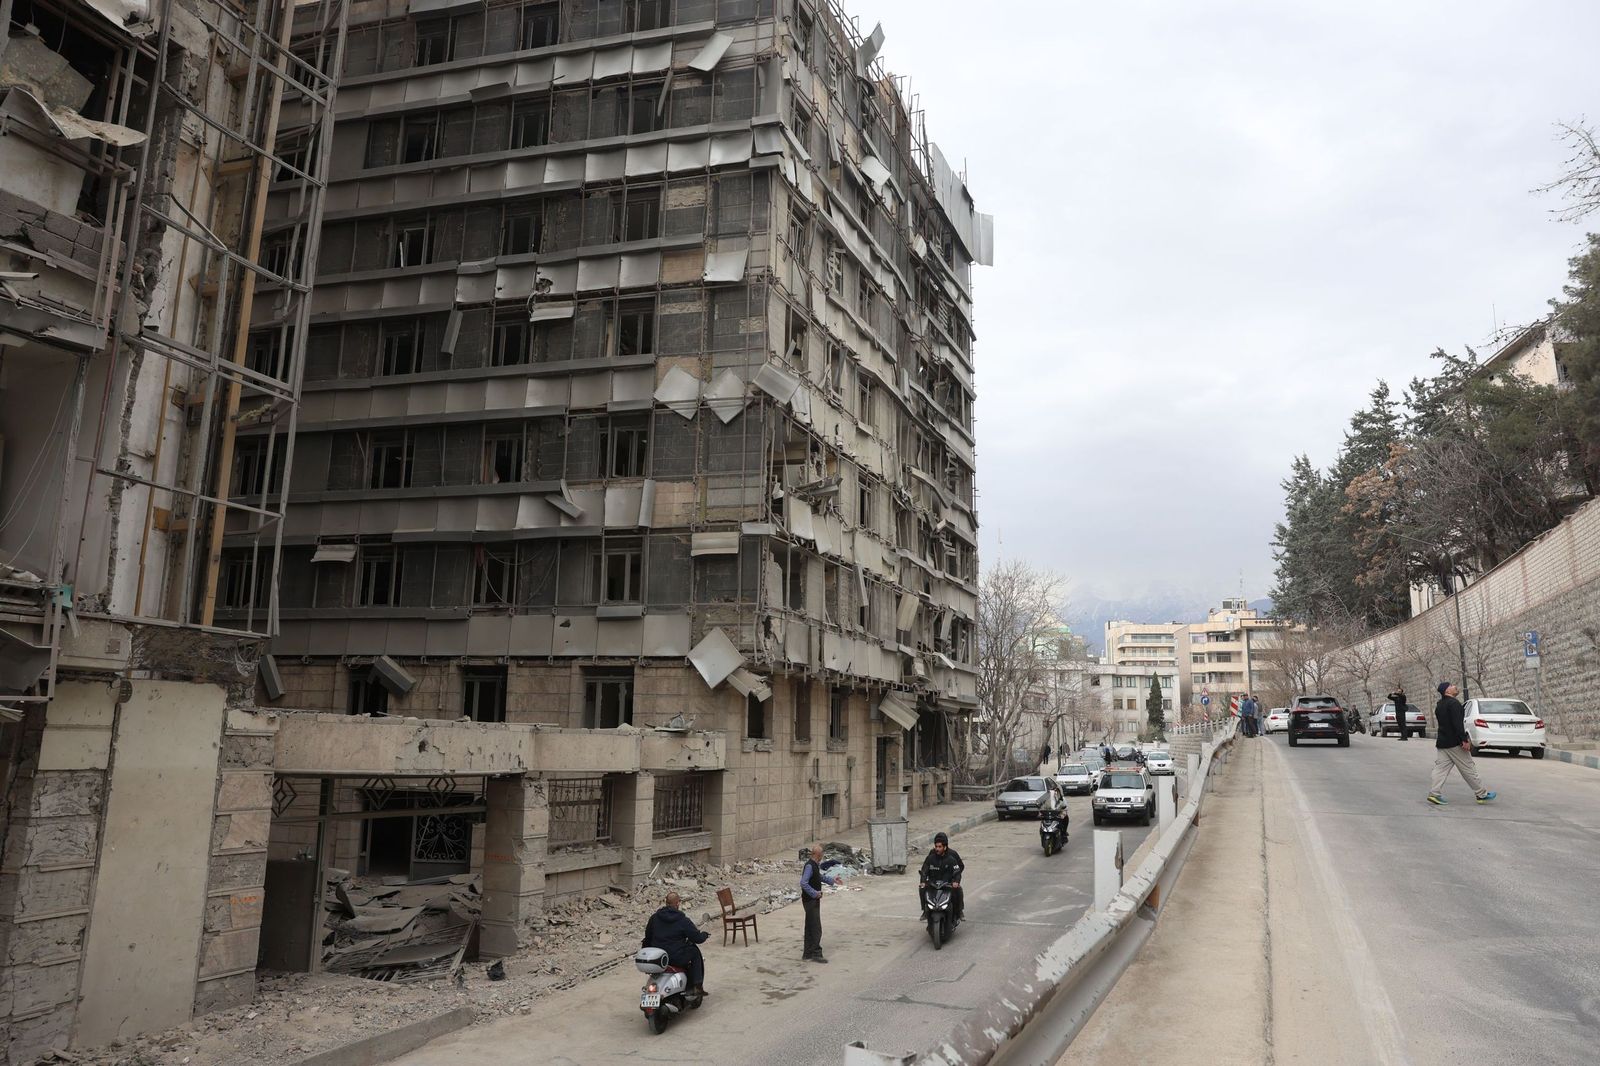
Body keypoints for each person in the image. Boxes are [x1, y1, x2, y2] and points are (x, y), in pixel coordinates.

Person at [1428, 682, 1496, 806]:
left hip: (1443, 742)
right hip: (1455, 743)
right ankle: (1481, 794)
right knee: (1468, 768)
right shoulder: (1454, 704)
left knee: (1440, 769)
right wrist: (1464, 740)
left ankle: (1434, 794)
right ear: (1447, 691)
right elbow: (1457, 724)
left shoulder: (1440, 705)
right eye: (1451, 685)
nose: (1455, 686)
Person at [641, 890, 710, 996]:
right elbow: (696, 938)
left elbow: (648, 937)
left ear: (665, 902)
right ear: (678, 903)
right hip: (676, 957)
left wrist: (647, 952)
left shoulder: (654, 918)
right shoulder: (682, 920)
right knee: (694, 952)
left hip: (657, 958)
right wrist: (704, 935)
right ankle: (697, 986)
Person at [799, 843, 840, 963]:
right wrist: (814, 893)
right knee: (816, 927)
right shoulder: (810, 866)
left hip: (811, 900)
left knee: (810, 926)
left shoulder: (814, 865)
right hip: (810, 901)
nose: (822, 856)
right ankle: (816, 953)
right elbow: (803, 883)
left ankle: (807, 954)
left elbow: (819, 877)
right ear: (818, 854)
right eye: (822, 854)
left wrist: (832, 880)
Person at [918, 831, 965, 924]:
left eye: (940, 846)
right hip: (934, 882)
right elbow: (925, 869)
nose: (937, 849)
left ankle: (959, 911)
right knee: (922, 889)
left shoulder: (952, 856)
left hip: (947, 883)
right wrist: (923, 881)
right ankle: (925, 910)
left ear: (945, 846)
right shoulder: (931, 855)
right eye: (936, 846)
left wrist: (955, 880)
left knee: (958, 890)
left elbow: (959, 868)